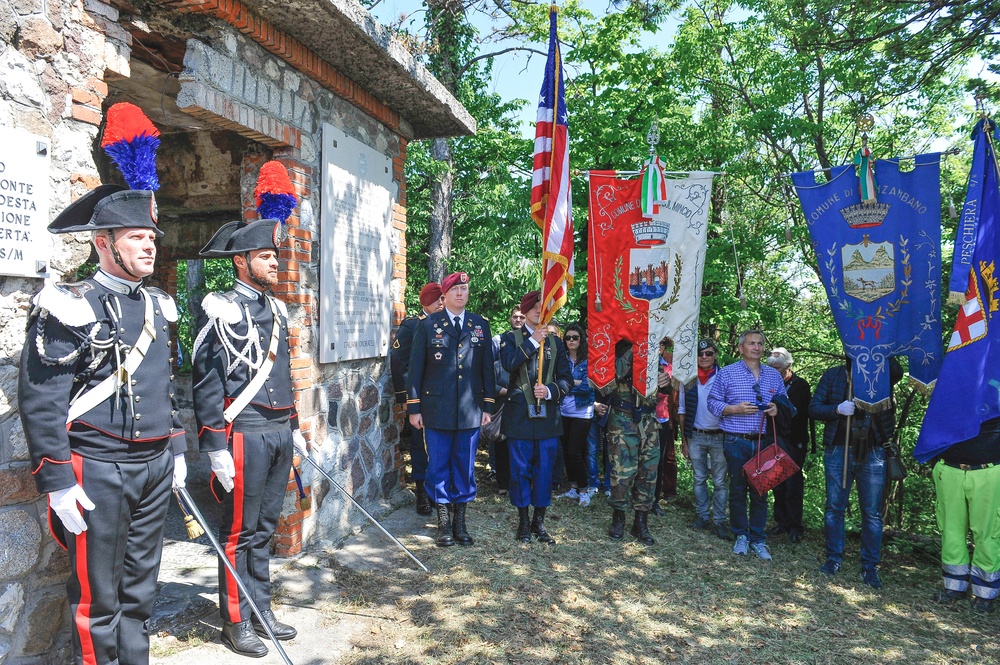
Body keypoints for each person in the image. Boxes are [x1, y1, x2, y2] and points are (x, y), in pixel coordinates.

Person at [19, 183, 187, 665]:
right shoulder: (70, 305)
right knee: (98, 600)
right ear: (102, 242)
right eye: (137, 237)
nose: (150, 245)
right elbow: (43, 402)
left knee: (140, 591)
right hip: (98, 468)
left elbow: (165, 387)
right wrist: (57, 480)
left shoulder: (157, 304)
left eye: (152, 237)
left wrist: (175, 451)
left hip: (154, 467)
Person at [193, 215, 301, 657]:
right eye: (264, 256)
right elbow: (207, 383)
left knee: (264, 529)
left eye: (275, 255)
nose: (275, 262)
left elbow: (284, 374)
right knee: (238, 532)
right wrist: (214, 445)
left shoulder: (274, 309)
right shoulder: (221, 308)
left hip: (278, 431)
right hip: (245, 433)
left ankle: (260, 608)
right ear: (240, 261)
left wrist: (295, 428)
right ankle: (235, 621)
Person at [407, 271, 496, 547]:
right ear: (444, 295)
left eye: (464, 289)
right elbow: (415, 370)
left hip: (470, 409)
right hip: (436, 409)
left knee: (465, 467)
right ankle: (443, 524)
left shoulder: (479, 325)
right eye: (455, 289)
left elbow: (487, 370)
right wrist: (414, 408)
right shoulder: (428, 324)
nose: (460, 293)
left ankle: (460, 523)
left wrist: (488, 406)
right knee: (438, 466)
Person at [809, 357, 902, 589]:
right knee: (834, 508)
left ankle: (869, 567)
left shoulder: (883, 374)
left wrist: (883, 349)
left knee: (871, 514)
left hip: (873, 452)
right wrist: (837, 409)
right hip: (839, 450)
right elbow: (814, 408)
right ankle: (833, 559)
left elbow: (898, 371)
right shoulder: (834, 375)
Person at [707, 329, 787, 561]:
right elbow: (712, 402)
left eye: (760, 343)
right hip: (735, 440)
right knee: (738, 490)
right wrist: (734, 409)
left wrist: (776, 409)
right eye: (751, 343)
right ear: (741, 348)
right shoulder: (727, 373)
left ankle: (758, 538)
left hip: (764, 441)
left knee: (761, 491)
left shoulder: (773, 375)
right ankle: (741, 535)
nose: (757, 347)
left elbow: (785, 403)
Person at [499, 291, 572, 542]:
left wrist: (551, 390)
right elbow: (509, 363)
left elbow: (567, 379)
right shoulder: (511, 339)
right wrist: (532, 342)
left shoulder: (556, 343)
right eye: (535, 308)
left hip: (548, 419)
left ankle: (539, 522)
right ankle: (522, 522)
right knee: (520, 471)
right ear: (526, 310)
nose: (539, 312)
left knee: (544, 472)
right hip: (519, 417)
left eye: (543, 308)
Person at [598, 340, 664, 545]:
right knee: (622, 471)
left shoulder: (656, 353)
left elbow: (666, 387)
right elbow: (609, 379)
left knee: (649, 472)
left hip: (649, 420)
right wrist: (637, 350)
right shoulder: (616, 346)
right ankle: (618, 517)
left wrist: (665, 380)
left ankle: (641, 521)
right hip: (622, 419)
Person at [931, 418, 1000, 612]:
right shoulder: (950, 387)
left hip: (989, 470)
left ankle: (984, 594)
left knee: (988, 534)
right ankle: (954, 587)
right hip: (950, 468)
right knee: (950, 531)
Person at [390, 282, 444, 515]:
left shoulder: (448, 324)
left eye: (443, 299)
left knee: (441, 447)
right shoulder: (412, 326)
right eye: (436, 299)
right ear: (425, 302)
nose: (441, 303)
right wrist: (406, 398)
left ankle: (438, 491)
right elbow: (398, 360)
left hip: (445, 398)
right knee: (421, 446)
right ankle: (422, 491)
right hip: (421, 398)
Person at [677, 338, 729, 541]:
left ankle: (719, 521)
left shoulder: (724, 376)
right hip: (696, 435)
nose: (704, 357)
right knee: (699, 479)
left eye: (708, 353)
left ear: (715, 354)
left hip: (719, 435)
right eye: (700, 354)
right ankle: (702, 516)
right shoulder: (687, 378)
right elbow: (681, 410)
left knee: (719, 482)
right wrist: (684, 439)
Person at [765, 347, 813, 543]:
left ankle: (795, 525)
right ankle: (781, 522)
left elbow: (803, 414)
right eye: (773, 367)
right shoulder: (766, 383)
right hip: (774, 439)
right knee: (777, 482)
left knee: (793, 484)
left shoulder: (800, 385)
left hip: (794, 441)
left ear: (789, 366)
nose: (775, 370)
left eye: (779, 367)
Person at [490, 305, 525, 495]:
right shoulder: (498, 362)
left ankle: (520, 484)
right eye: (515, 316)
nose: (518, 320)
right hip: (502, 409)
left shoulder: (534, 350)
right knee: (502, 449)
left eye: (521, 317)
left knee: (520, 449)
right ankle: (503, 485)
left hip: (523, 409)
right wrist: (502, 391)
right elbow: (487, 383)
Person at [558, 323, 595, 507]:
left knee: (575, 452)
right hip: (563, 410)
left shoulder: (589, 360)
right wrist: (574, 383)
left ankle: (584, 490)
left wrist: (568, 384)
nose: (571, 340)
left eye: (575, 337)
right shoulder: (562, 358)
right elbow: (557, 382)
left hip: (582, 412)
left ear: (581, 339)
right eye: (568, 338)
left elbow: (587, 387)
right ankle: (572, 487)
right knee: (566, 451)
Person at [651, 337, 679, 515]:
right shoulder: (639, 362)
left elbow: (674, 392)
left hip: (661, 418)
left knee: (658, 462)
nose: (659, 347)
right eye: (655, 342)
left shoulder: (669, 365)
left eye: (662, 344)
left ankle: (654, 500)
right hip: (640, 418)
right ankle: (636, 497)